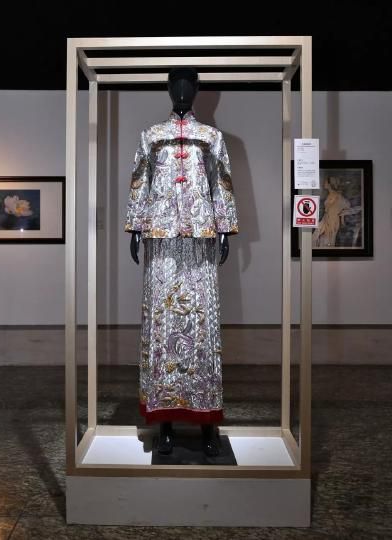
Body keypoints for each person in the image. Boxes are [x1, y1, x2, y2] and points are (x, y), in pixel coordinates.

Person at [125, 67, 239, 457]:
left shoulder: (211, 137)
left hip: (201, 239)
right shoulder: (151, 136)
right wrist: (135, 227)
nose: (183, 91)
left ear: (199, 90)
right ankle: (165, 422)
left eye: (189, 84)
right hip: (160, 240)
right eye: (176, 84)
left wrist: (224, 228)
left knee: (202, 327)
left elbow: (221, 182)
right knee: (161, 325)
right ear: (168, 89)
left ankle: (207, 423)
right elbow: (139, 181)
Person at [313, 176, 351, 247]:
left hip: (332, 220)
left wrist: (342, 218)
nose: (324, 183)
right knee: (316, 237)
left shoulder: (337, 195)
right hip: (326, 219)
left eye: (325, 182)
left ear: (329, 184)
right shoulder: (330, 195)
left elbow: (347, 205)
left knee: (328, 240)